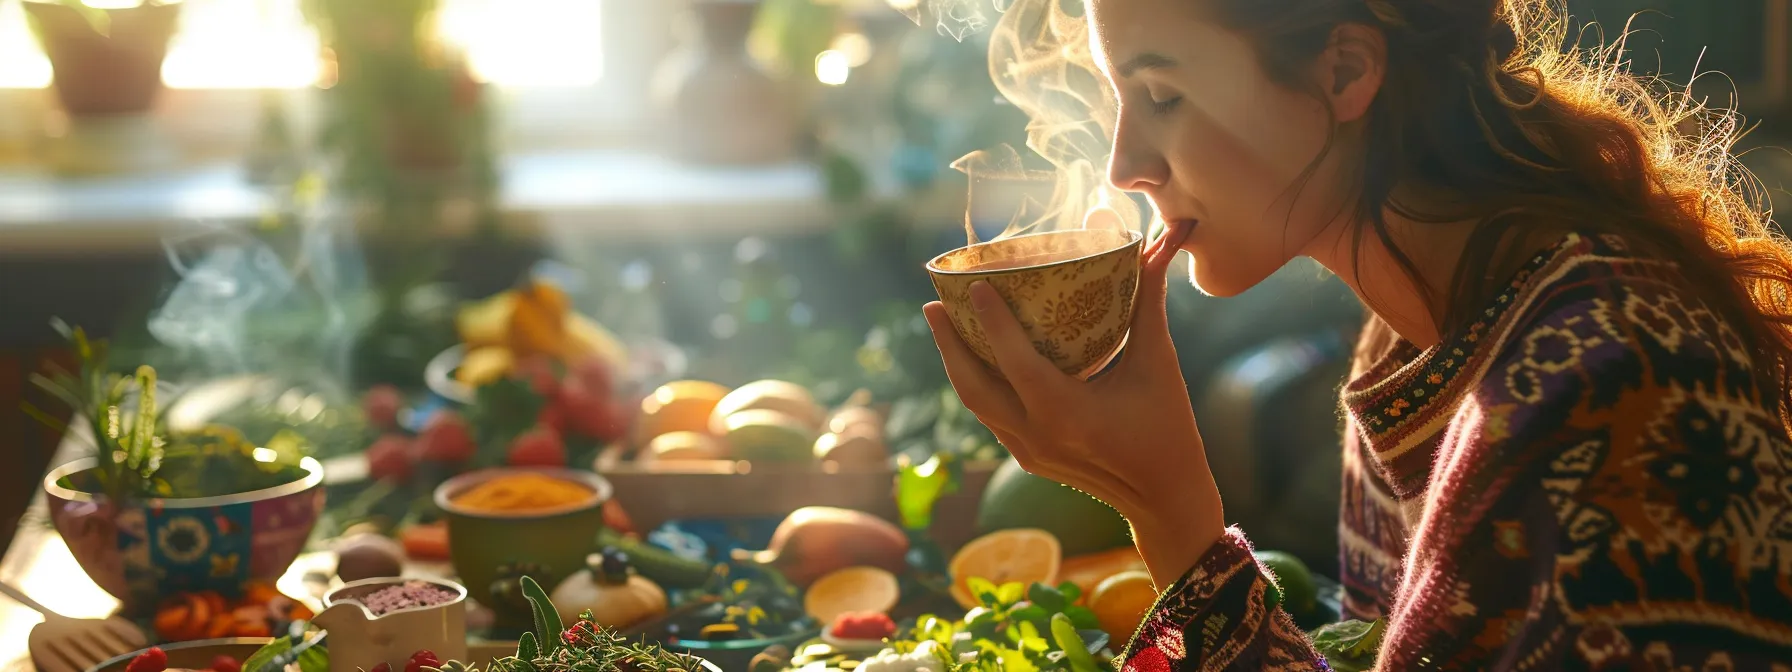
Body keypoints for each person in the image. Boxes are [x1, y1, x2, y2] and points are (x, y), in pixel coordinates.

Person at [922, 0, 1792, 669]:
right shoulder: (1412, 341)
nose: (1124, 165)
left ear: (1342, 72)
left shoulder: (1616, 388)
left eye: (1161, 95)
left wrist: (1170, 512)